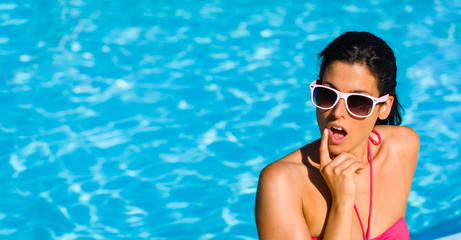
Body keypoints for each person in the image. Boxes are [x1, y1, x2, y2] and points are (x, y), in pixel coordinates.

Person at [254, 31, 419, 240]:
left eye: (358, 102)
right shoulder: (282, 183)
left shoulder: (400, 147)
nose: (337, 111)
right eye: (327, 94)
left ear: (384, 107)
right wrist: (342, 203)